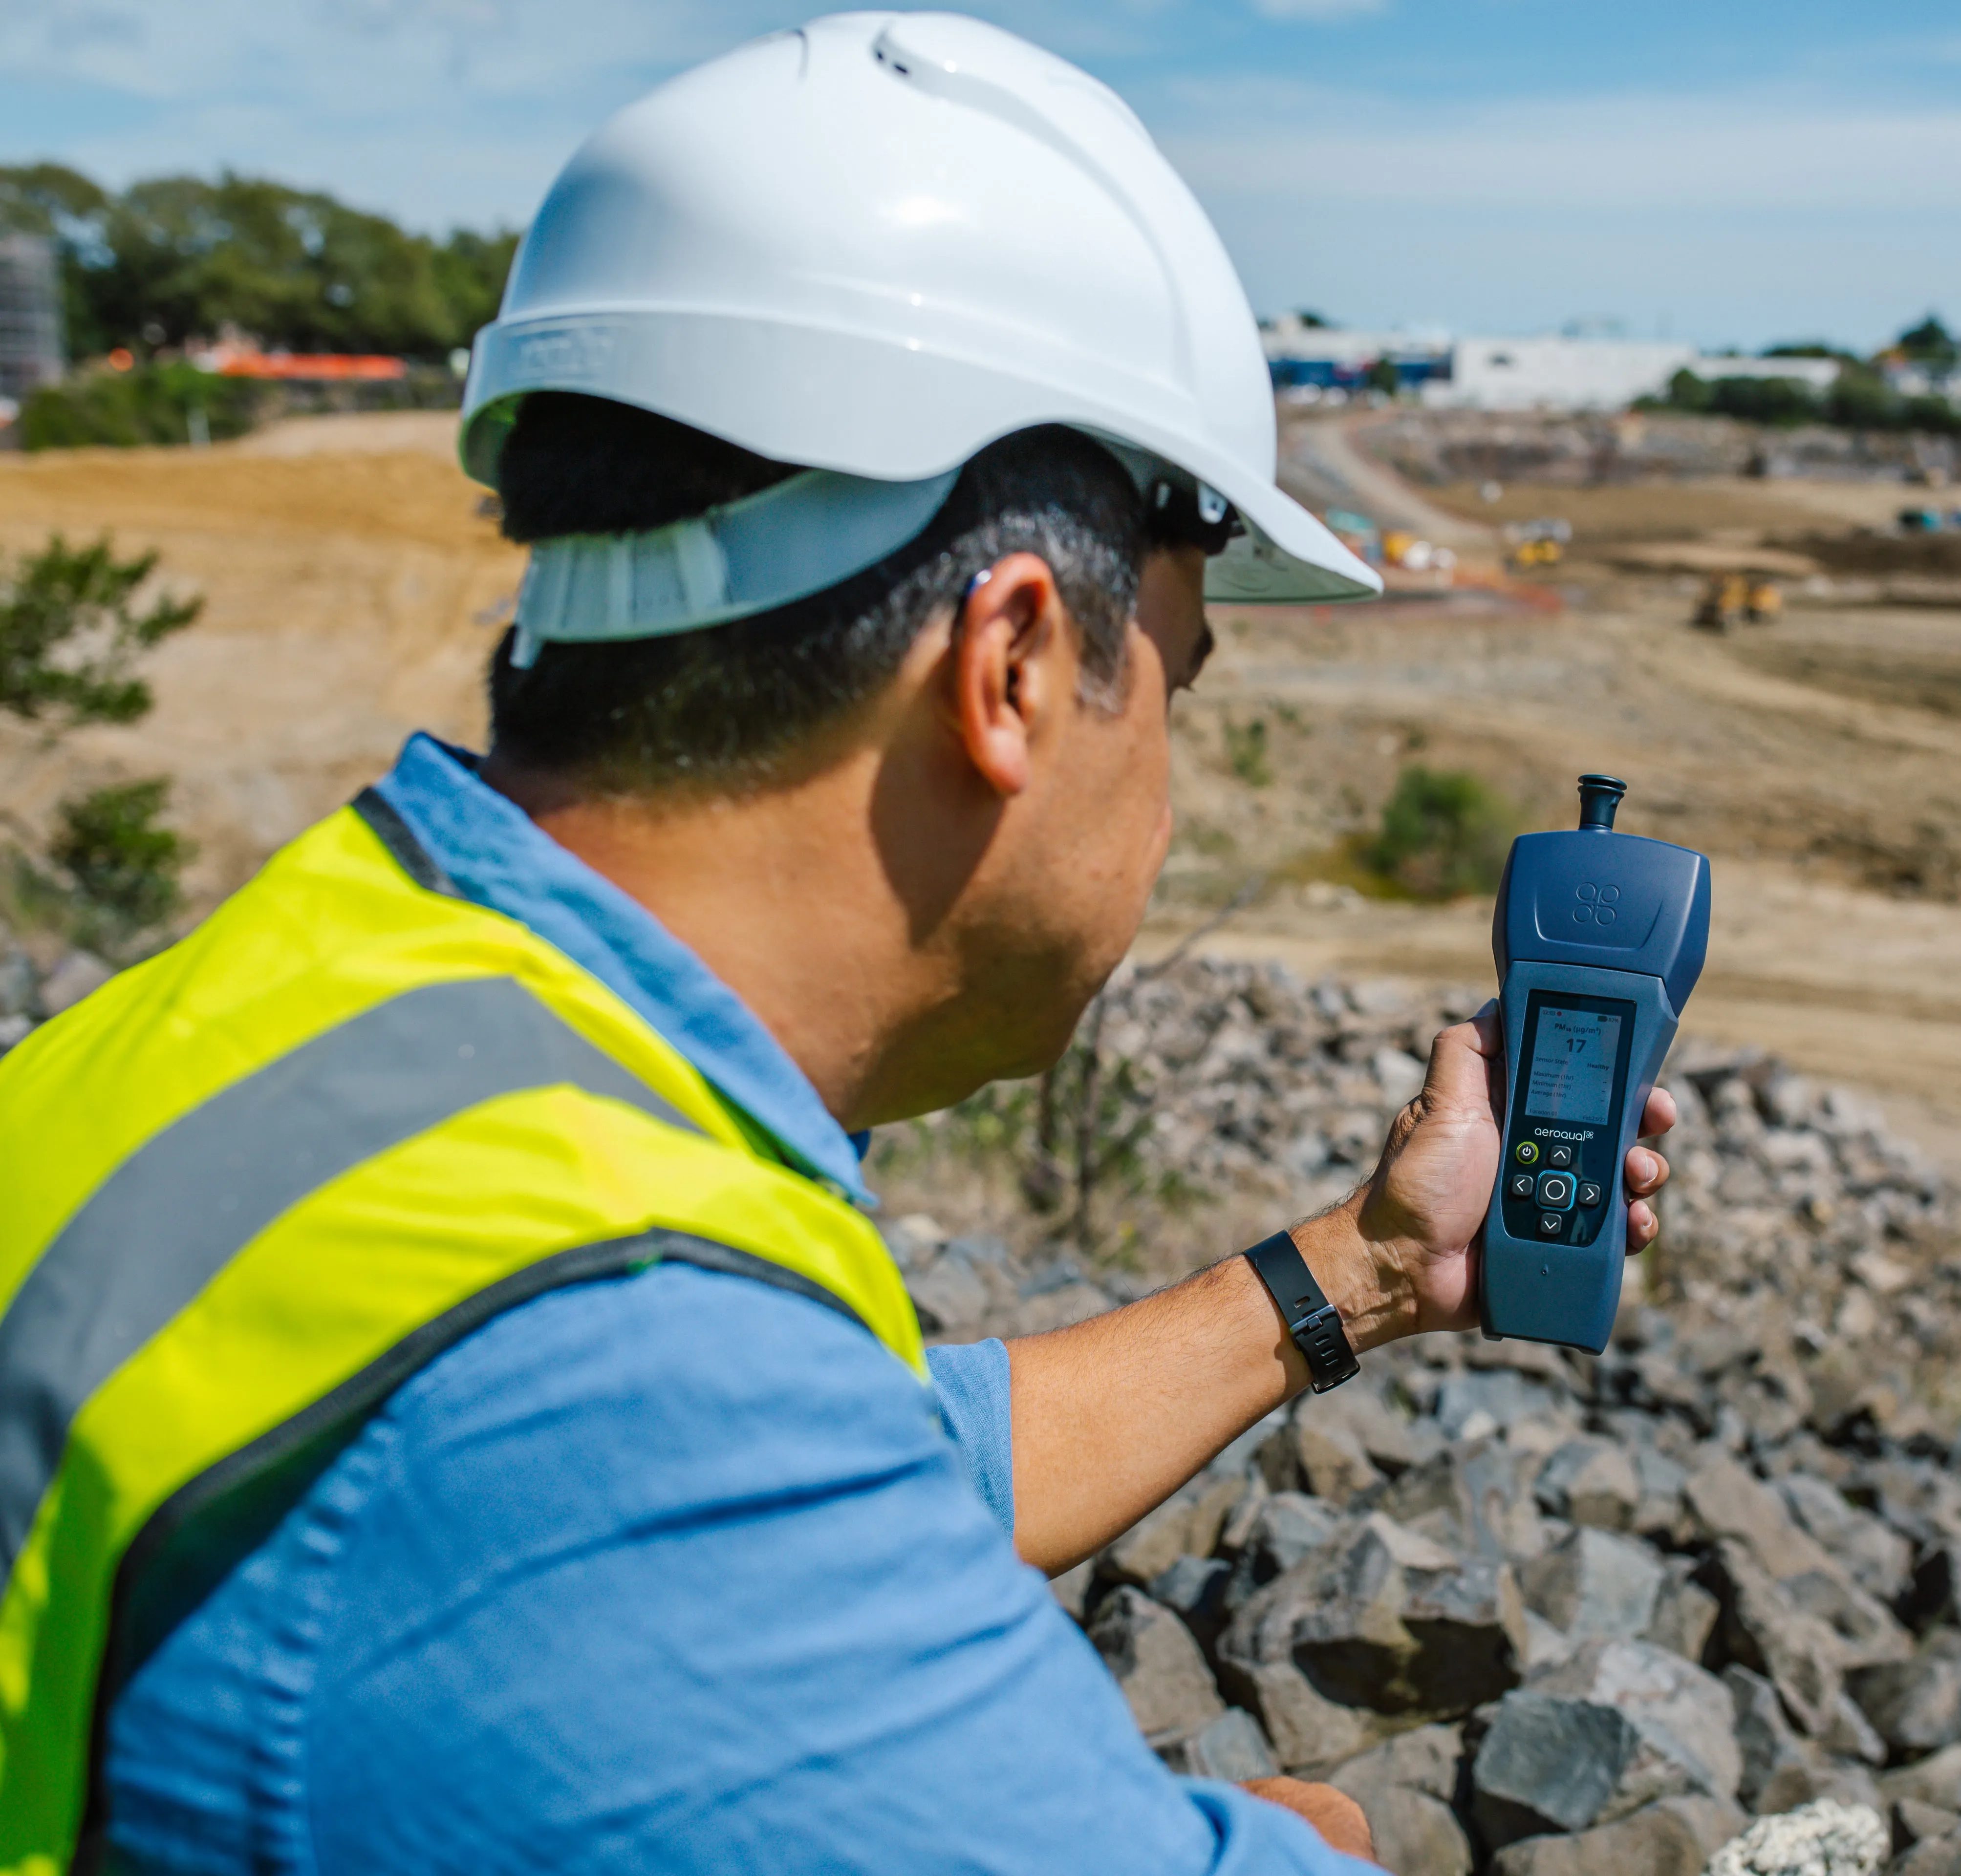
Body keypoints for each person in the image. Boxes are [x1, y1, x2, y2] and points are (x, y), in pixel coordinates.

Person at [0, 14, 1688, 1876]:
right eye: (1179, 688)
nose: (1175, 797)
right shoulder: (603, 1374)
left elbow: (867, 1457)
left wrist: (1367, 1267)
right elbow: (675, 1477)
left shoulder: (309, 1018)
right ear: (1018, 668)